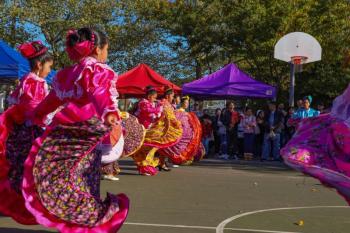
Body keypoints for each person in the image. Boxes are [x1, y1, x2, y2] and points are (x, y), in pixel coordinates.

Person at [22, 28, 129, 232]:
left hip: (66, 136)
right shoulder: (97, 70)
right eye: (107, 49)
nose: (106, 54)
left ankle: (76, 224)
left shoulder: (67, 74)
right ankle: (87, 224)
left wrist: (37, 115)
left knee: (69, 184)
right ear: (98, 50)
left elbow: (51, 101)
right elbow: (100, 94)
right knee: (86, 186)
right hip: (87, 137)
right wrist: (110, 115)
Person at [0, 41, 52, 225]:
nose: (49, 70)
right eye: (48, 66)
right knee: (35, 169)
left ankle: (20, 203)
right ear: (39, 64)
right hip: (31, 132)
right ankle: (32, 205)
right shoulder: (38, 83)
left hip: (19, 131)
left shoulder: (24, 80)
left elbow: (16, 104)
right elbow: (37, 109)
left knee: (18, 168)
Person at [281, 83, 350, 205]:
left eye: (307, 101)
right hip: (307, 134)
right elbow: (291, 121)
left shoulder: (314, 112)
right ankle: (309, 161)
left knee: (332, 141)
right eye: (304, 101)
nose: (305, 103)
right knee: (321, 144)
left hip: (319, 131)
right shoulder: (299, 112)